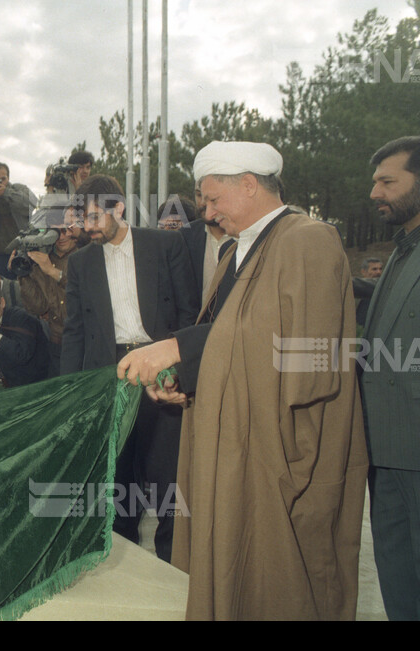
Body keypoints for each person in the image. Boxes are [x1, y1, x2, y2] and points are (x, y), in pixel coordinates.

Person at [118, 141, 368, 620]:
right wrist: (187, 380)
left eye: (212, 201)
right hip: (235, 445)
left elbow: (306, 356)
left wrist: (179, 348)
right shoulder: (238, 251)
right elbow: (234, 340)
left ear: (249, 185)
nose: (207, 214)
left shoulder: (309, 239)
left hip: (282, 452)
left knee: (275, 583)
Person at [61, 174, 198, 561]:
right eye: (82, 219)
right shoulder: (81, 264)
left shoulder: (166, 245)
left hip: (162, 375)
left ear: (117, 208)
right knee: (117, 484)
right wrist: (72, 396)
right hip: (112, 380)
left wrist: (178, 372)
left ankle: (174, 575)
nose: (87, 228)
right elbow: (75, 334)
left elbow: (190, 314)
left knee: (168, 484)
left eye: (93, 218)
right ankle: (125, 573)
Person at [360, 135, 420, 621]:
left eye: (388, 182)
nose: (376, 193)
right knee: (397, 577)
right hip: (386, 450)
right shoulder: (403, 247)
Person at [17, 205, 84, 378]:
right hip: (56, 343)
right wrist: (24, 274)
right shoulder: (42, 259)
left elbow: (86, 293)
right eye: (55, 232)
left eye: (66, 230)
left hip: (83, 342)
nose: (61, 237)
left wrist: (53, 272)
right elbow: (38, 307)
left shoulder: (85, 256)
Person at [178, 189, 234, 310]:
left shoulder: (244, 235)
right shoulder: (184, 237)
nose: (204, 202)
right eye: (199, 195)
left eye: (212, 198)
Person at [354, 257, 383, 327]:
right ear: (363, 272)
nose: (379, 272)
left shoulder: (382, 290)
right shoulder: (359, 291)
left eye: (380, 269)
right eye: (374, 269)